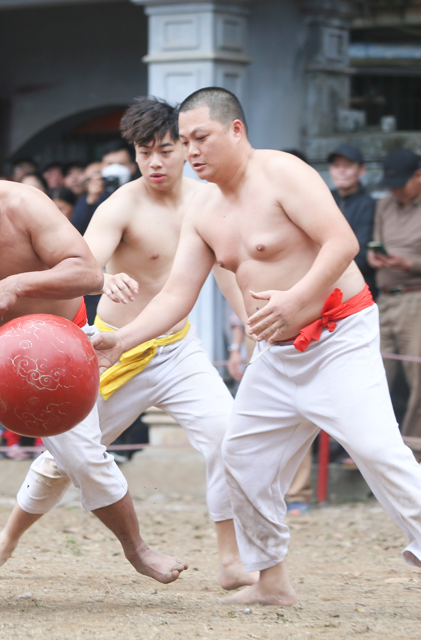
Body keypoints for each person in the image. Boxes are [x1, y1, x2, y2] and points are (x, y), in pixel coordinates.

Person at [92, 87, 421, 606]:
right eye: (185, 141)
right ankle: (271, 581)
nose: (192, 151)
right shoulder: (202, 211)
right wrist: (120, 339)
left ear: (236, 131)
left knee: (379, 450)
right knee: (240, 456)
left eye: (202, 137)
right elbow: (177, 295)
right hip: (276, 354)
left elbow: (342, 242)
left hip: (337, 336)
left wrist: (298, 299)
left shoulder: (283, 173)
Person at [0, 98, 255, 591]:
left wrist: (250, 325)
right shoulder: (120, 205)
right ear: (134, 154)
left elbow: (227, 273)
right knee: (63, 460)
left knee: (226, 437)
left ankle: (229, 559)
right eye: (145, 153)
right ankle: (4, 543)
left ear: (184, 148)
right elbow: (80, 264)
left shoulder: (208, 202)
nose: (156, 162)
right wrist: (105, 277)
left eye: (166, 150)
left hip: (178, 349)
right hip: (109, 352)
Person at [0, 134, 186, 606]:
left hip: (59, 344)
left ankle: (138, 549)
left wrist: (14, 284)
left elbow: (89, 272)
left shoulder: (25, 205)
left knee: (85, 458)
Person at [369, 148, 421, 443]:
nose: (395, 191)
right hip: (384, 298)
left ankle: (414, 448)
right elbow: (375, 241)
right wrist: (374, 257)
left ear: (418, 176)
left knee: (418, 377)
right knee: (373, 374)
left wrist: (409, 264)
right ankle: (374, 445)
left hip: (416, 298)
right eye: (391, 186)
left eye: (401, 184)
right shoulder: (385, 206)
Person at [328, 145, 376, 294]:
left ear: (361, 170)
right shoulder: (324, 198)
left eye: (348, 166)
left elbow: (361, 254)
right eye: (336, 165)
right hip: (325, 286)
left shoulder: (369, 204)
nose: (341, 171)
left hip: (358, 287)